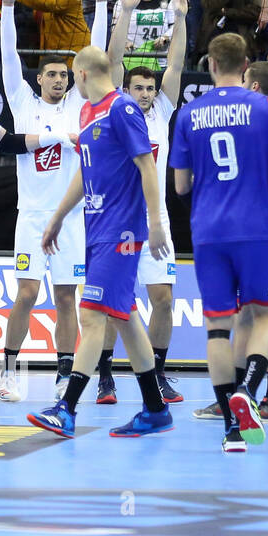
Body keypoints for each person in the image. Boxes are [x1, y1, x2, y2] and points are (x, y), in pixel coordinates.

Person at [22, 36, 175, 440]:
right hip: (95, 226)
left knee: (91, 314)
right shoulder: (88, 111)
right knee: (124, 317)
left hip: (122, 229)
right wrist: (57, 216)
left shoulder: (123, 108)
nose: (74, 84)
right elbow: (84, 171)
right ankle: (156, 410)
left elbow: (146, 164)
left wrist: (155, 222)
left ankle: (66, 408)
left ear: (83, 74)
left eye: (74, 77)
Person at [169, 32, 268, 452]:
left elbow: (181, 186)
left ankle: (231, 428)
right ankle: (253, 390)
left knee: (218, 330)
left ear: (209, 64)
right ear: (246, 65)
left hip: (208, 231)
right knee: (266, 316)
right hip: (257, 226)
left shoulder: (188, 114)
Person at [0, 0, 107, 402]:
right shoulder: (23, 103)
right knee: (25, 293)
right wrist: (6, 7)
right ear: (40, 79)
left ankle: (64, 375)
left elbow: (95, 50)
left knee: (66, 298)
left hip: (72, 217)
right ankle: (8, 371)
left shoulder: (80, 103)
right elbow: (8, 59)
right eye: (53, 75)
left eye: (65, 75)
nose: (60, 80)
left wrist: (101, 5)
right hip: (33, 217)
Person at [98, 0, 190, 405]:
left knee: (164, 300)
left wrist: (180, 17)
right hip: (118, 218)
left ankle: (157, 373)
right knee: (111, 304)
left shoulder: (162, 112)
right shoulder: (117, 109)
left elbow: (175, 62)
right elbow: (112, 59)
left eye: (151, 89)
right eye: (140, 88)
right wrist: (128, 12)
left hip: (157, 219)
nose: (148, 94)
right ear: (126, 91)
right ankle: (103, 376)